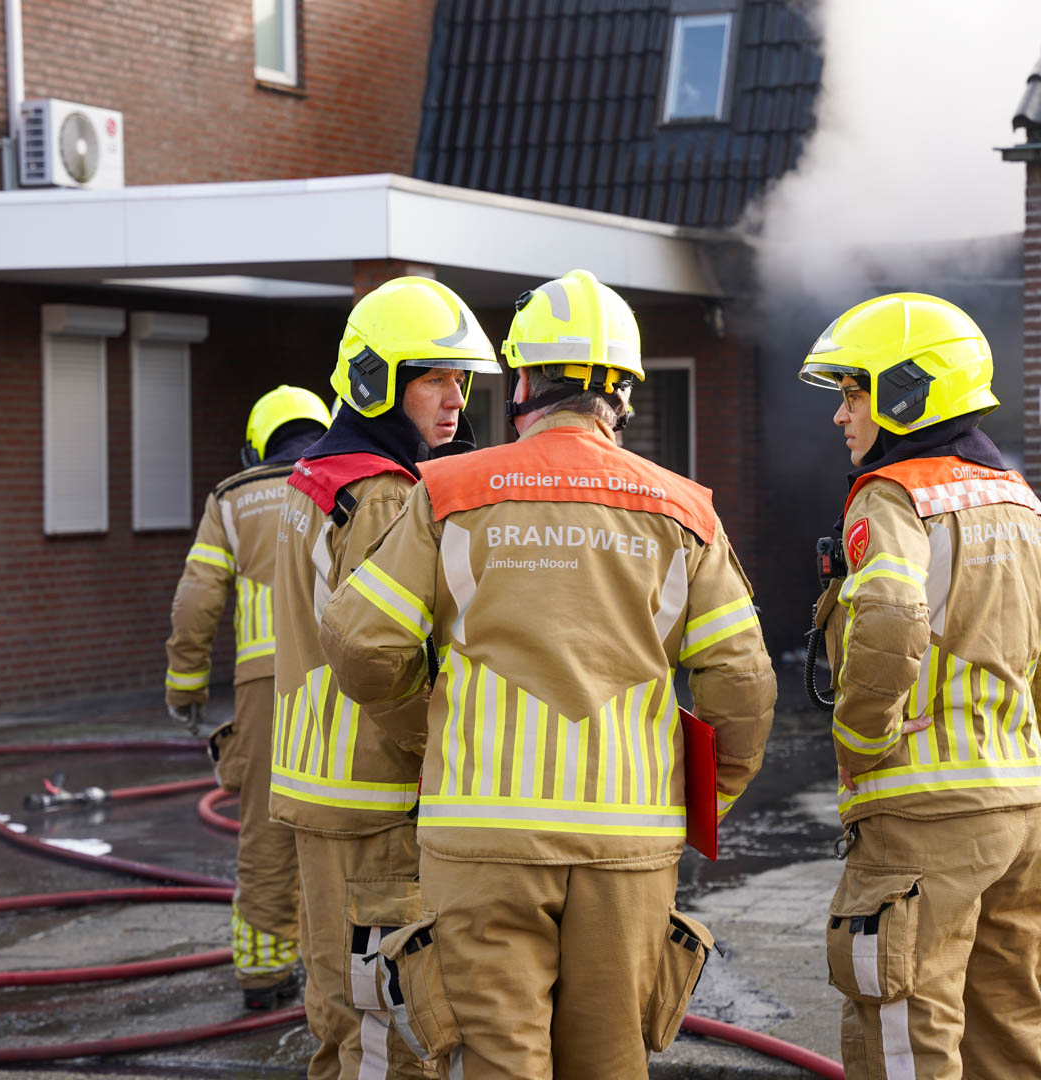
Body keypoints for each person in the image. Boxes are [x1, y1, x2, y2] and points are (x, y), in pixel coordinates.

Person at [318, 269, 776, 1079]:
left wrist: (429, 740)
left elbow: (361, 647)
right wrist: (707, 798)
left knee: (499, 1058)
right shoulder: (685, 512)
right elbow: (741, 684)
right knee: (608, 1061)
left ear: (524, 381)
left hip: (480, 839)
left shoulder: (447, 492)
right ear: (624, 397)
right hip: (628, 844)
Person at [799, 293, 1041, 1080]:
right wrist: (1013, 757)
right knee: (1009, 1036)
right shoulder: (1023, 500)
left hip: (924, 820)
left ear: (907, 393)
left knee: (910, 1038)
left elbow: (886, 613)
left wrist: (862, 741)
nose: (841, 416)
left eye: (854, 392)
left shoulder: (893, 495)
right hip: (1023, 812)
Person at [268, 276, 500, 1080]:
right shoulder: (380, 494)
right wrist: (443, 748)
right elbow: (385, 652)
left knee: (342, 1006)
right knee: (383, 1024)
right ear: (376, 382)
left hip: (323, 781)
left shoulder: (316, 478)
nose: (454, 398)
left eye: (460, 378)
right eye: (432, 377)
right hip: (371, 788)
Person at [164, 384, 330, 1009]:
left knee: (266, 831)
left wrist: (186, 687)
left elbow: (197, 599)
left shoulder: (231, 500)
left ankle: (263, 975)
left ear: (254, 447)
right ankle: (349, 975)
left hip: (265, 690)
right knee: (355, 827)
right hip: (349, 676)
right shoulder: (350, 480)